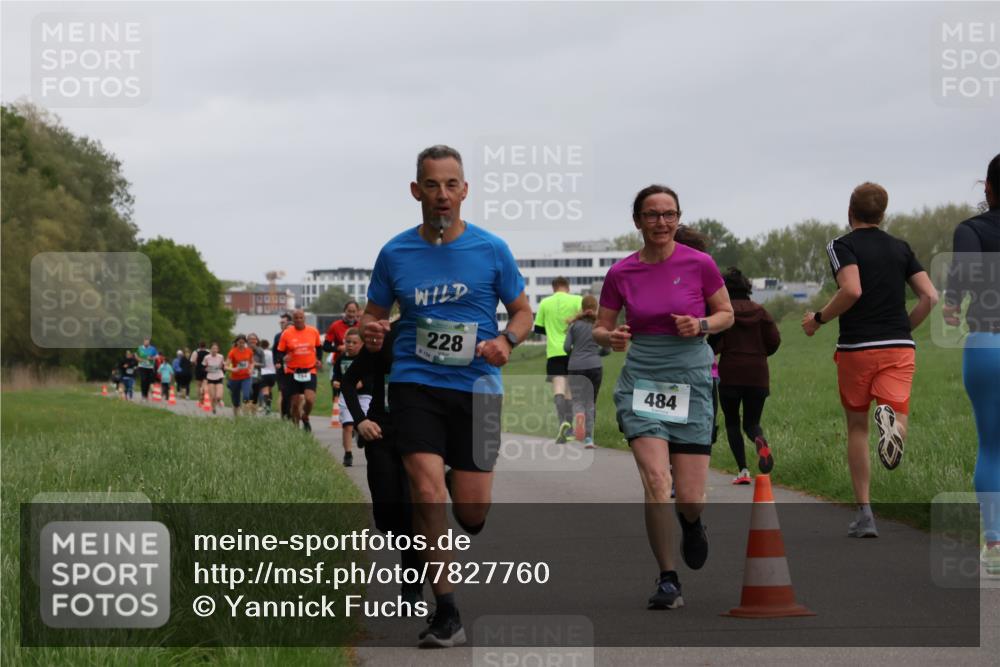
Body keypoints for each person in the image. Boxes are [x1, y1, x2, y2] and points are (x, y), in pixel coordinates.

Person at [361, 145, 532, 647]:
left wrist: (507, 340)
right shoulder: (395, 253)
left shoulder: (491, 249)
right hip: (415, 383)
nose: (442, 194)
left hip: (477, 386)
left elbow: (523, 311)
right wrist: (371, 331)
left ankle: (457, 476)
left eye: (451, 184)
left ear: (465, 190)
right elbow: (374, 316)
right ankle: (448, 612)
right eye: (432, 185)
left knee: (472, 513)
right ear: (416, 191)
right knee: (427, 490)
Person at [593, 184, 733, 610]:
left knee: (689, 497)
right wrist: (611, 337)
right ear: (637, 220)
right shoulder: (621, 273)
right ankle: (668, 578)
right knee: (657, 481)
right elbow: (600, 327)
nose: (661, 222)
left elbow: (726, 314)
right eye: (652, 214)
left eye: (669, 214)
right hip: (643, 380)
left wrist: (701, 325)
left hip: (690, 379)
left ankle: (691, 523)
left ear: (678, 218)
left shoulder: (699, 263)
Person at [802, 182, 938, 538]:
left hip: (857, 348)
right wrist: (904, 328)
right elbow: (930, 297)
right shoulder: (900, 247)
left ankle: (865, 514)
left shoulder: (841, 245)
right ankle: (893, 430)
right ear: (883, 214)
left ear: (850, 211)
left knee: (858, 428)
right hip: (898, 346)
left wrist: (818, 319)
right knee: (897, 414)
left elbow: (851, 289)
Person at [942, 153, 1000, 574]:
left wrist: (951, 300)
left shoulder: (972, 229)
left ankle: (995, 545)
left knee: (992, 446)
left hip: (988, 342)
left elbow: (967, 270)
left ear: (988, 188)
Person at [342, 320, 425, 604]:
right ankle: (404, 541)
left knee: (413, 515)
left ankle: (412, 590)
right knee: (388, 516)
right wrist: (360, 421)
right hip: (381, 433)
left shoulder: (438, 333)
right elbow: (348, 382)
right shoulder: (386, 335)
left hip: (419, 435)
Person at [708, 268, 780, 484]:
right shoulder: (761, 312)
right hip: (758, 374)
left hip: (730, 373)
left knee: (732, 423)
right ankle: (760, 440)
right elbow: (774, 341)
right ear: (747, 287)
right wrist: (759, 354)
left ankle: (743, 471)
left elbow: (712, 344)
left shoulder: (725, 314)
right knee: (751, 423)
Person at [534, 277, 583, 443]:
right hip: (574, 352)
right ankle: (569, 429)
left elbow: (538, 329)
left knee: (559, 390)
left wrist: (552, 329)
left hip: (554, 352)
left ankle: (562, 423)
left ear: (553, 288)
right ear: (568, 287)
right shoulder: (577, 300)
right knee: (570, 392)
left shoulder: (545, 303)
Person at [563, 295, 610, 448]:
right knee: (590, 402)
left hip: (575, 367)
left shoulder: (574, 325)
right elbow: (607, 349)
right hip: (594, 367)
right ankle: (589, 438)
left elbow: (566, 347)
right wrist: (596, 354)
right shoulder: (599, 326)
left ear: (582, 308)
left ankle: (579, 429)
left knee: (577, 401)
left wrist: (575, 355)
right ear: (596, 308)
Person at [277, 309, 323, 431]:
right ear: (293, 319)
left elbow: (319, 347)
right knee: (295, 403)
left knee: (310, 399)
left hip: (309, 370)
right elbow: (279, 352)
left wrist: (319, 359)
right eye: (296, 318)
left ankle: (305, 416)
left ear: (304, 318)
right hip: (292, 372)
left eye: (300, 317)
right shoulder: (287, 333)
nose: (298, 320)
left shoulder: (313, 331)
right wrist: (283, 358)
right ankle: (296, 430)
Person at [333, 328, 367, 467]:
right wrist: (335, 382)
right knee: (347, 425)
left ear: (362, 344)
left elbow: (371, 376)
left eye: (354, 342)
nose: (350, 345)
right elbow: (336, 375)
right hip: (346, 394)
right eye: (348, 342)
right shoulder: (341, 359)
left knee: (362, 421)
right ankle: (348, 454)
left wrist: (363, 382)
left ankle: (360, 433)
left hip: (364, 396)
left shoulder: (366, 359)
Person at [324, 300, 362, 394]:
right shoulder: (335, 325)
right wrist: (338, 348)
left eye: (353, 311)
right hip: (339, 364)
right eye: (349, 311)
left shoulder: (361, 326)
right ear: (345, 311)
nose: (351, 314)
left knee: (357, 394)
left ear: (357, 312)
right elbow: (325, 346)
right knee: (338, 395)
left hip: (358, 363)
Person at [226, 334, 255, 417]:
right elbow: (226, 366)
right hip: (235, 378)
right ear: (236, 342)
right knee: (235, 401)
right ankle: (236, 416)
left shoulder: (249, 351)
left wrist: (251, 369)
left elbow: (252, 362)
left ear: (245, 342)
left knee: (246, 395)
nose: (241, 344)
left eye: (243, 342)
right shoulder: (232, 352)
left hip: (246, 377)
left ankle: (245, 413)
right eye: (239, 342)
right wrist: (233, 369)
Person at [272, 312, 293, 419]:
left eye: (283, 322)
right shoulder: (278, 336)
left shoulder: (298, 335)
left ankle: (295, 415)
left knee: (295, 394)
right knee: (282, 392)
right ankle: (282, 417)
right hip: (282, 369)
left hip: (295, 369)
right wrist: (277, 362)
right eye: (280, 323)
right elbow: (275, 351)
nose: (281, 324)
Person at [202, 342, 226, 414]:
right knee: (212, 397)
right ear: (210, 349)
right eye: (213, 348)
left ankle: (219, 400)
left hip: (219, 377)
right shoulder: (207, 357)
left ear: (218, 350)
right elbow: (203, 367)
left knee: (218, 396)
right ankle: (214, 408)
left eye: (216, 349)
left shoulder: (221, 357)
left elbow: (223, 366)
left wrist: (222, 370)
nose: (214, 350)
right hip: (210, 378)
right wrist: (209, 369)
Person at [247, 333, 265, 415]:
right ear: (247, 341)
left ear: (257, 341)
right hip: (246, 375)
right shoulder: (244, 350)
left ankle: (253, 414)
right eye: (250, 339)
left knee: (255, 395)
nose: (252, 341)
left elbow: (264, 364)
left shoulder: (260, 351)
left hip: (257, 376)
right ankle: (246, 412)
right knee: (247, 393)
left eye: (254, 339)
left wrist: (255, 364)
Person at [257, 339, 277, 414]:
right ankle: (269, 405)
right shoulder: (272, 353)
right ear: (268, 345)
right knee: (270, 390)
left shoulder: (260, 353)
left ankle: (267, 406)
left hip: (263, 373)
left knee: (265, 391)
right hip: (273, 373)